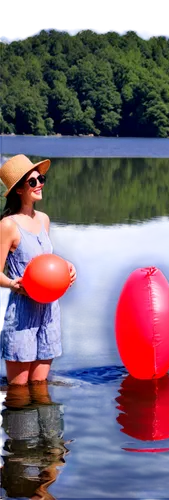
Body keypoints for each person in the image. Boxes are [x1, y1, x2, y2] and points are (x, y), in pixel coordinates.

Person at [0, 154, 77, 386]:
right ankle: (19, 421)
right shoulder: (7, 226)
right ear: (19, 190)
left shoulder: (43, 220)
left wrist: (65, 266)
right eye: (32, 181)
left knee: (40, 386)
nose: (39, 184)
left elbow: (43, 261)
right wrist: (14, 283)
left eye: (40, 178)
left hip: (49, 310)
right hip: (21, 311)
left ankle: (48, 422)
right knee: (19, 391)